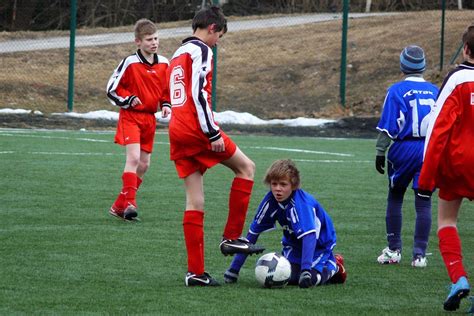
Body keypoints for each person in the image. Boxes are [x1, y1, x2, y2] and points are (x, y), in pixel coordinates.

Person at [167, 6, 265, 287]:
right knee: (246, 168)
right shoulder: (201, 50)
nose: (218, 42)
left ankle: (195, 272)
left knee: (195, 201)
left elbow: (177, 94)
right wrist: (211, 133)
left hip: (177, 130)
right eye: (219, 35)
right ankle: (232, 237)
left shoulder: (177, 53)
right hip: (197, 129)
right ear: (211, 28)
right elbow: (198, 94)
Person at [418, 25, 474, 311]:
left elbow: (438, 129)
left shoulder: (457, 79)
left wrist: (426, 179)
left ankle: (460, 278)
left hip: (459, 164)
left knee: (447, 222)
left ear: (466, 49)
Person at [224, 159, 347, 288]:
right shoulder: (269, 202)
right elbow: (252, 234)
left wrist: (306, 270)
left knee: (308, 280)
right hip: (293, 244)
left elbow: (309, 237)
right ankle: (309, 268)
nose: (278, 189)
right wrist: (234, 269)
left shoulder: (302, 204)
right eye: (274, 184)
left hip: (319, 245)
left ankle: (334, 265)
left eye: (283, 184)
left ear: (293, 185)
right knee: (287, 277)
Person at [374, 45, 439, 267]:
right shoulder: (435, 90)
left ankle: (394, 250)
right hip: (429, 149)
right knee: (424, 202)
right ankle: (419, 255)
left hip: (404, 148)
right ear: (423, 66)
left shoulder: (396, 90)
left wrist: (380, 151)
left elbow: (388, 126)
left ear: (403, 65)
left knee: (395, 196)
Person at [106, 18, 171, 221]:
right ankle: (130, 204)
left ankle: (119, 205)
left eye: (156, 38)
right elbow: (112, 89)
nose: (154, 42)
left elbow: (165, 91)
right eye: (149, 39)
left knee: (144, 165)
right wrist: (128, 99)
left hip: (149, 119)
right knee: (133, 159)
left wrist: (166, 104)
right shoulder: (130, 62)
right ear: (138, 42)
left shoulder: (164, 63)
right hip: (130, 117)